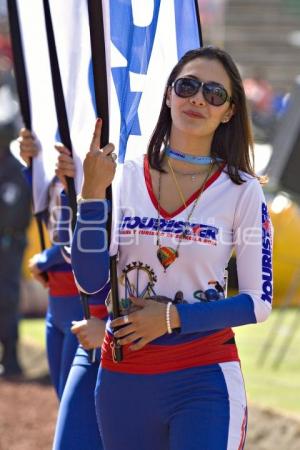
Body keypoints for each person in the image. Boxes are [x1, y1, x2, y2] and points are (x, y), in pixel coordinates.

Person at [71, 46, 273, 450]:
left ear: (229, 111)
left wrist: (171, 318)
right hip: (123, 378)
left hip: (203, 377)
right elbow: (91, 280)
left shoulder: (242, 191)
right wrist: (92, 194)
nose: (199, 98)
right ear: (168, 95)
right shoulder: (122, 177)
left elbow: (257, 302)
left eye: (215, 93)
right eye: (188, 86)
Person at [19, 130, 106, 449]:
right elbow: (49, 221)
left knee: (82, 419)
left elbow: (81, 239)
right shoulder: (54, 172)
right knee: (64, 402)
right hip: (56, 306)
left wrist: (47, 257)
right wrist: (32, 168)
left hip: (81, 306)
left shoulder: (93, 171)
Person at [0, 121, 31, 378]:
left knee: (6, 298)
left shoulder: (15, 171)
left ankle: (11, 359)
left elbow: (11, 213)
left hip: (8, 245)